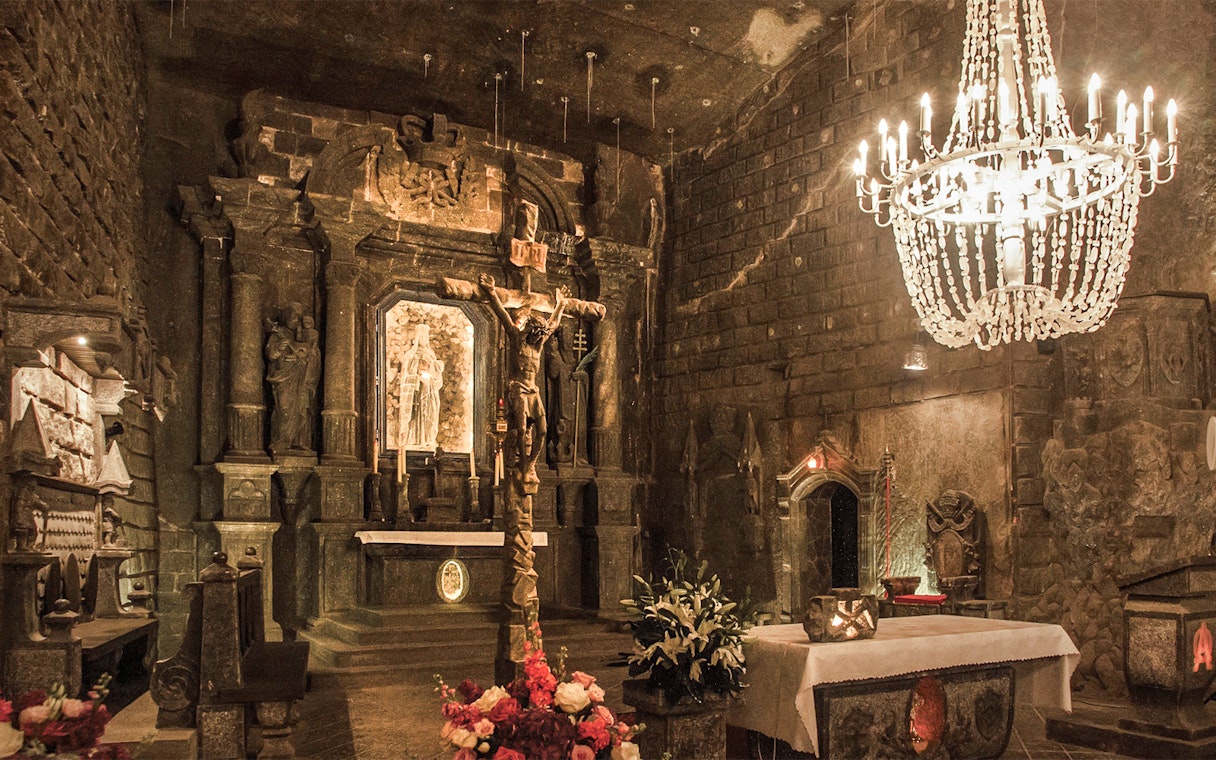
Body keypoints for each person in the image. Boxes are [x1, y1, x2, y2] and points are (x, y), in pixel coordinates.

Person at [478, 273, 567, 484]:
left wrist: (561, 305)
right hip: (518, 390)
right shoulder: (518, 340)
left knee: (543, 431)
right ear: (528, 331)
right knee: (519, 430)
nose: (538, 338)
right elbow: (502, 314)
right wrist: (491, 291)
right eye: (535, 334)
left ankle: (530, 463)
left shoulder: (539, 344)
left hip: (533, 391)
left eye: (540, 335)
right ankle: (523, 462)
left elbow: (553, 324)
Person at [396, 322, 445, 450]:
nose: (423, 340)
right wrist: (417, 378)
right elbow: (405, 376)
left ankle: (427, 439)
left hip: (428, 392)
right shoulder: (410, 356)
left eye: (425, 337)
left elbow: (437, 379)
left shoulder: (431, 356)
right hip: (415, 394)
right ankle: (412, 440)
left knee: (428, 415)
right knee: (414, 417)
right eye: (421, 337)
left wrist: (430, 375)